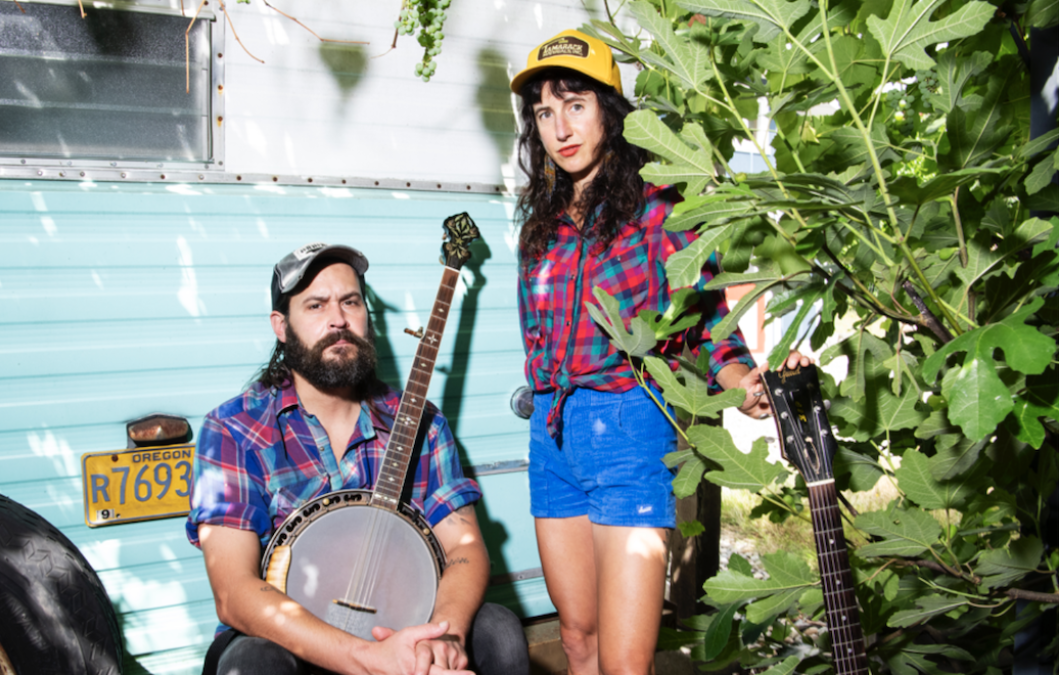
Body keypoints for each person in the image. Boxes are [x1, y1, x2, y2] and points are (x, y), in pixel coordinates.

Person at [510, 30, 811, 675]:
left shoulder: (663, 206)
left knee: (624, 662)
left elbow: (707, 323)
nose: (559, 127)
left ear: (610, 110)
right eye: (544, 113)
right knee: (576, 639)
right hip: (551, 433)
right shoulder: (540, 221)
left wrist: (743, 383)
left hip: (628, 426)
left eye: (576, 105)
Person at [187, 242, 530, 675]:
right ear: (281, 325)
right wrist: (368, 659)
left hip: (402, 627)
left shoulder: (419, 421)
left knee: (497, 629)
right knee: (251, 663)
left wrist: (443, 640)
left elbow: (464, 547)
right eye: (315, 305)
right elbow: (234, 591)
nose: (338, 319)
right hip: (291, 643)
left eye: (350, 301)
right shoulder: (234, 429)